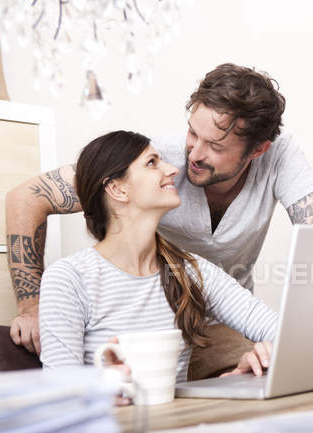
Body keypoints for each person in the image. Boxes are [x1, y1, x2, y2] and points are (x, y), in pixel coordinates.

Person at [6, 63, 313, 368]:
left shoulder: (199, 274)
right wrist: (31, 304)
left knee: (265, 374)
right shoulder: (75, 277)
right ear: (117, 188)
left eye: (214, 146)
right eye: (192, 133)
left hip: (214, 321)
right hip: (133, 369)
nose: (188, 158)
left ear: (257, 150)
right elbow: (26, 196)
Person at [40, 130, 278, 405]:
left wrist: (265, 354)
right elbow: (59, 391)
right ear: (117, 189)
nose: (172, 169)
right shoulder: (69, 278)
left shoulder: (190, 270)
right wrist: (96, 388)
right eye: (152, 163)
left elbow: (281, 330)